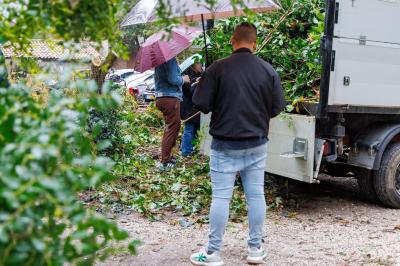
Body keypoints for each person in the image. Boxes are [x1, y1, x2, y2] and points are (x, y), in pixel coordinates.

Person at [190, 22, 286, 266]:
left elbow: (200, 103)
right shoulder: (268, 70)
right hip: (256, 144)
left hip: (224, 145)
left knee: (221, 198)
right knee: (255, 195)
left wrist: (204, 81)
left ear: (232, 41)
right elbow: (276, 108)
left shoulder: (217, 68)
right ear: (254, 43)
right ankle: (255, 249)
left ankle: (212, 254)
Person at [154, 57, 190, 169]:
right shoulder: (169, 58)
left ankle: (169, 156)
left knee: (175, 126)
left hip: (162, 97)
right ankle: (165, 161)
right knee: (171, 128)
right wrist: (184, 79)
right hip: (170, 97)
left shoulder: (159, 60)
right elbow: (173, 79)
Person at [180, 62, 203, 156]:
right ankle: (186, 151)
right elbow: (190, 92)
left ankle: (192, 148)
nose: (201, 66)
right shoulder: (187, 76)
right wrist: (197, 82)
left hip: (195, 108)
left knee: (197, 129)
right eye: (199, 64)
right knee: (189, 129)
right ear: (193, 66)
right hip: (189, 108)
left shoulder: (199, 75)